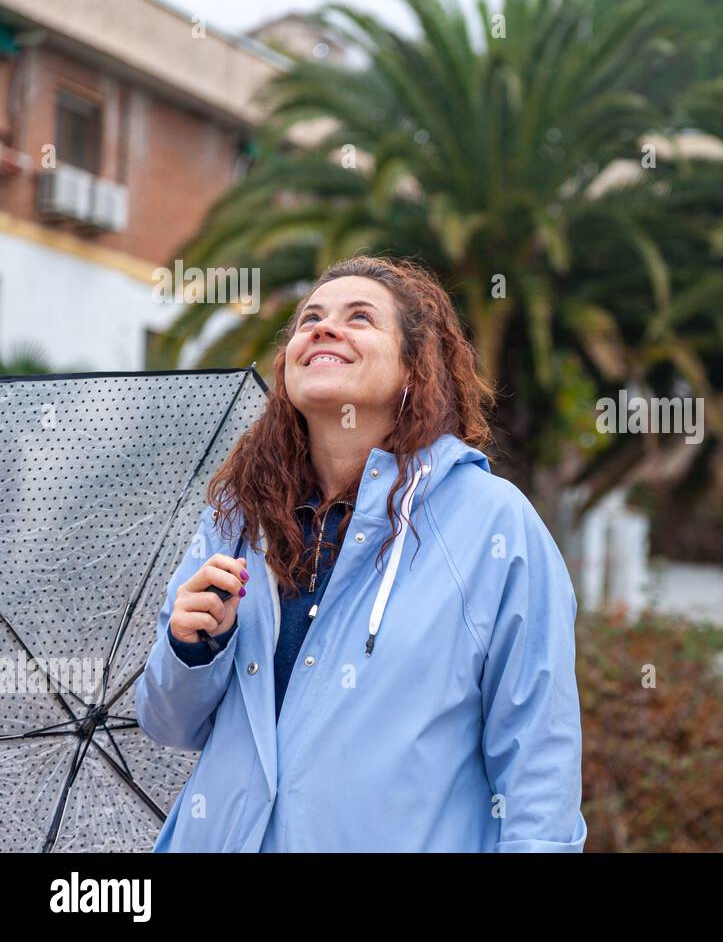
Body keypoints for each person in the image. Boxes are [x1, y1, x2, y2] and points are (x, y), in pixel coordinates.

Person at [135, 255, 587, 852]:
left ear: (412, 368)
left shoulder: (492, 523)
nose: (322, 329)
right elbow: (169, 722)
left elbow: (538, 759)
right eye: (310, 319)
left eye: (360, 318)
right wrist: (191, 647)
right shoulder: (240, 517)